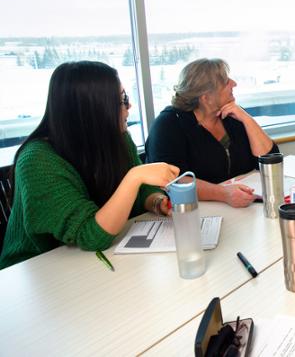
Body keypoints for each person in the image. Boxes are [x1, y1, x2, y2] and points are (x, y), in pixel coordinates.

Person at [0, 61, 179, 269]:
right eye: (122, 100)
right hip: (34, 271)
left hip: (99, 256)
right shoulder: (37, 162)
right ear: (92, 108)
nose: (129, 106)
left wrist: (156, 202)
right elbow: (91, 236)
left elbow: (142, 190)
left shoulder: (116, 137)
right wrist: (135, 177)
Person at [145, 58, 279, 207]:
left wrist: (247, 119)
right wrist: (224, 194)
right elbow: (174, 180)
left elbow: (270, 160)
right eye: (226, 82)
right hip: (196, 211)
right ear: (206, 97)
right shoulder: (168, 125)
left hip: (244, 206)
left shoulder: (231, 114)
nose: (234, 83)